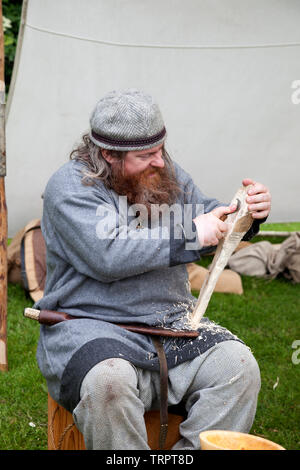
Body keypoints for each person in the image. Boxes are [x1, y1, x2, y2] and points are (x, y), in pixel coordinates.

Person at [35, 88, 271, 450]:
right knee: (106, 383)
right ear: (109, 155)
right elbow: (109, 254)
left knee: (237, 367)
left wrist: (245, 214)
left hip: (172, 325)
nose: (160, 162)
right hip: (91, 326)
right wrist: (193, 233)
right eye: (146, 155)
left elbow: (210, 213)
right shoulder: (69, 187)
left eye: (160, 149)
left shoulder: (163, 173)